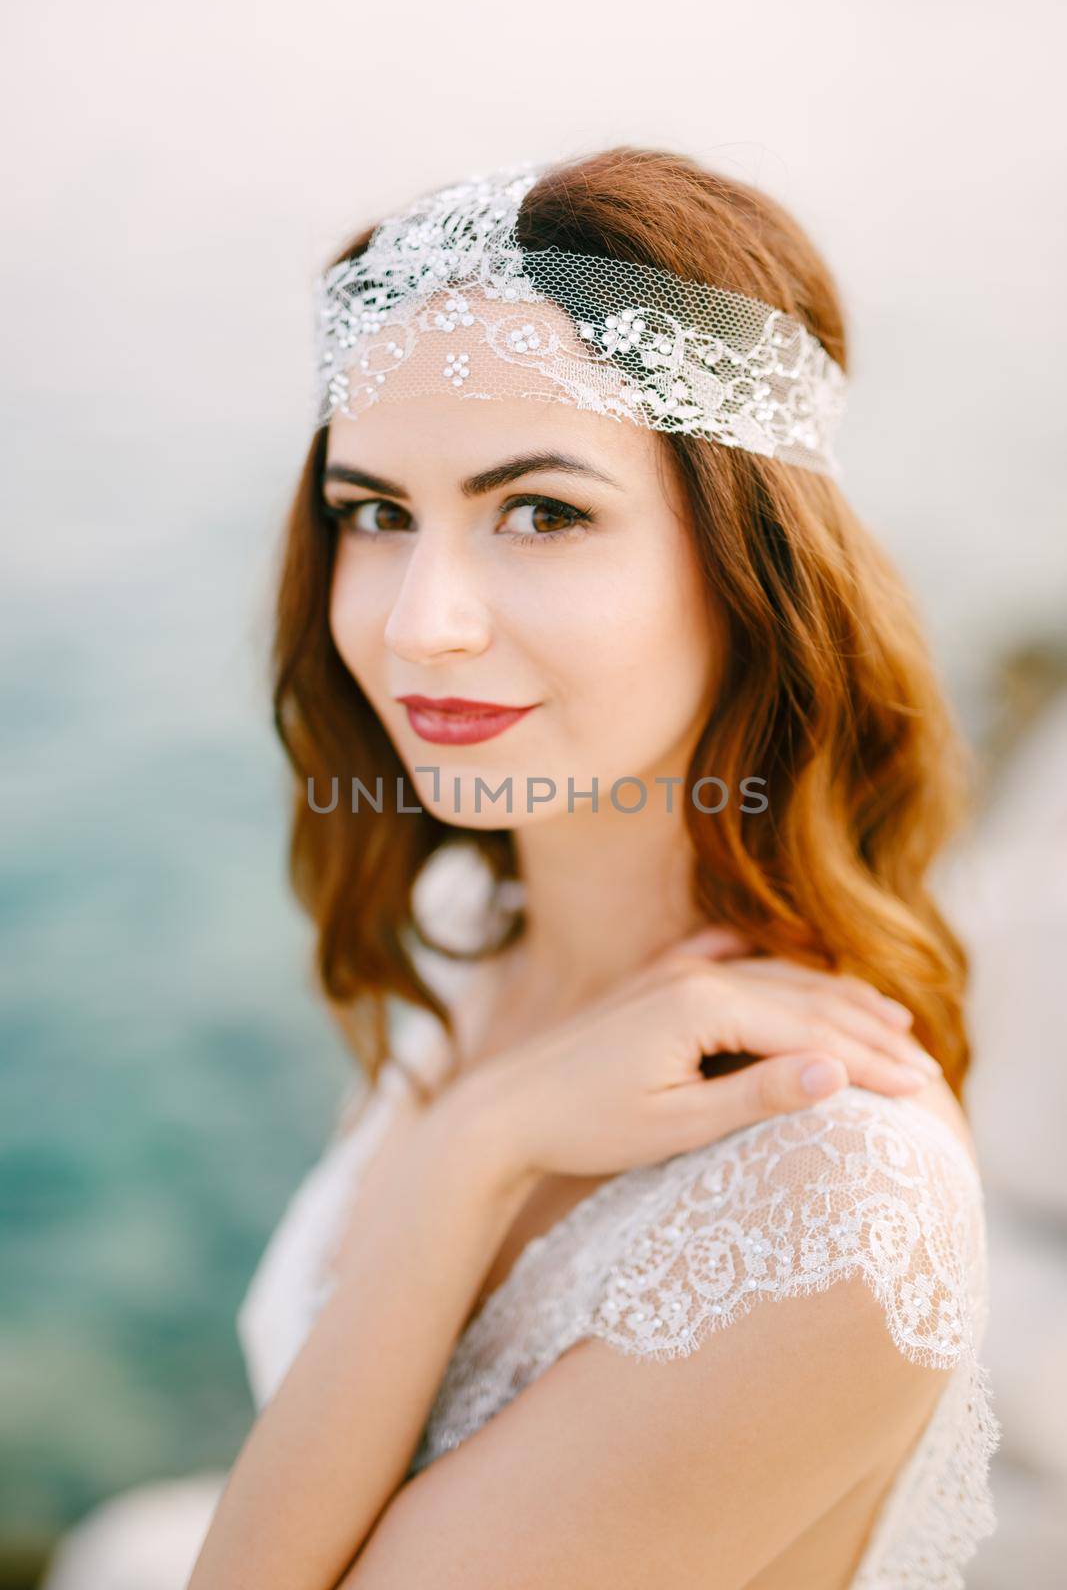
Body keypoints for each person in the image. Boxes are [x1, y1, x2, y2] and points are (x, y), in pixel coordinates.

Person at [188, 148, 999, 1588]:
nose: (420, 623)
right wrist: (474, 1144)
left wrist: (464, 1162)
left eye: (543, 511)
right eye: (374, 512)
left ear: (752, 564)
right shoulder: (463, 921)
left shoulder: (830, 1202)